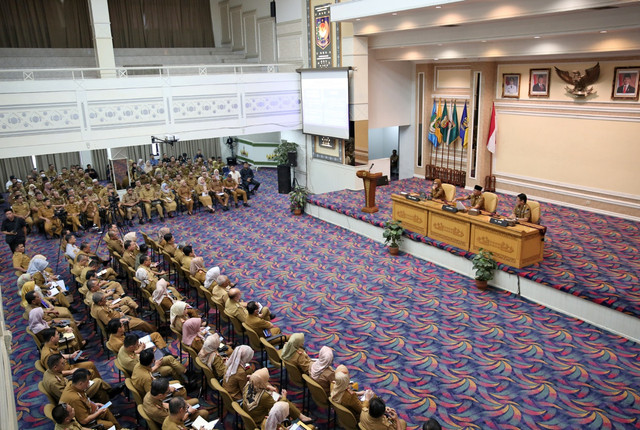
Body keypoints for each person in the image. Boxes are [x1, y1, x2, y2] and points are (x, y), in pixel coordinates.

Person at [242, 368, 311, 427]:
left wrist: (267, 386)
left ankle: (300, 416)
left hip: (252, 414)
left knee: (279, 398)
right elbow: (279, 407)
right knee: (283, 400)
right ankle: (301, 416)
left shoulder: (249, 384)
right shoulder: (264, 396)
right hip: (260, 420)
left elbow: (257, 384)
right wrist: (284, 397)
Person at [59, 369, 124, 429]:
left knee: (105, 408)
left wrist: (94, 404)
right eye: (87, 382)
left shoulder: (72, 384)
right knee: (110, 425)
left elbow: (84, 399)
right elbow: (84, 421)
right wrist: (98, 412)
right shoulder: (75, 399)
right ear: (80, 383)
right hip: (84, 424)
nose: (89, 384)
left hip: (87, 409)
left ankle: (120, 429)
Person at [142, 378, 208, 427]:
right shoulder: (156, 411)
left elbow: (163, 404)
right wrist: (188, 412)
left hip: (171, 412)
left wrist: (181, 404)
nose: (170, 391)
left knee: (195, 400)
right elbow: (176, 420)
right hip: (174, 420)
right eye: (167, 392)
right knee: (204, 413)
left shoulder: (150, 394)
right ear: (160, 395)